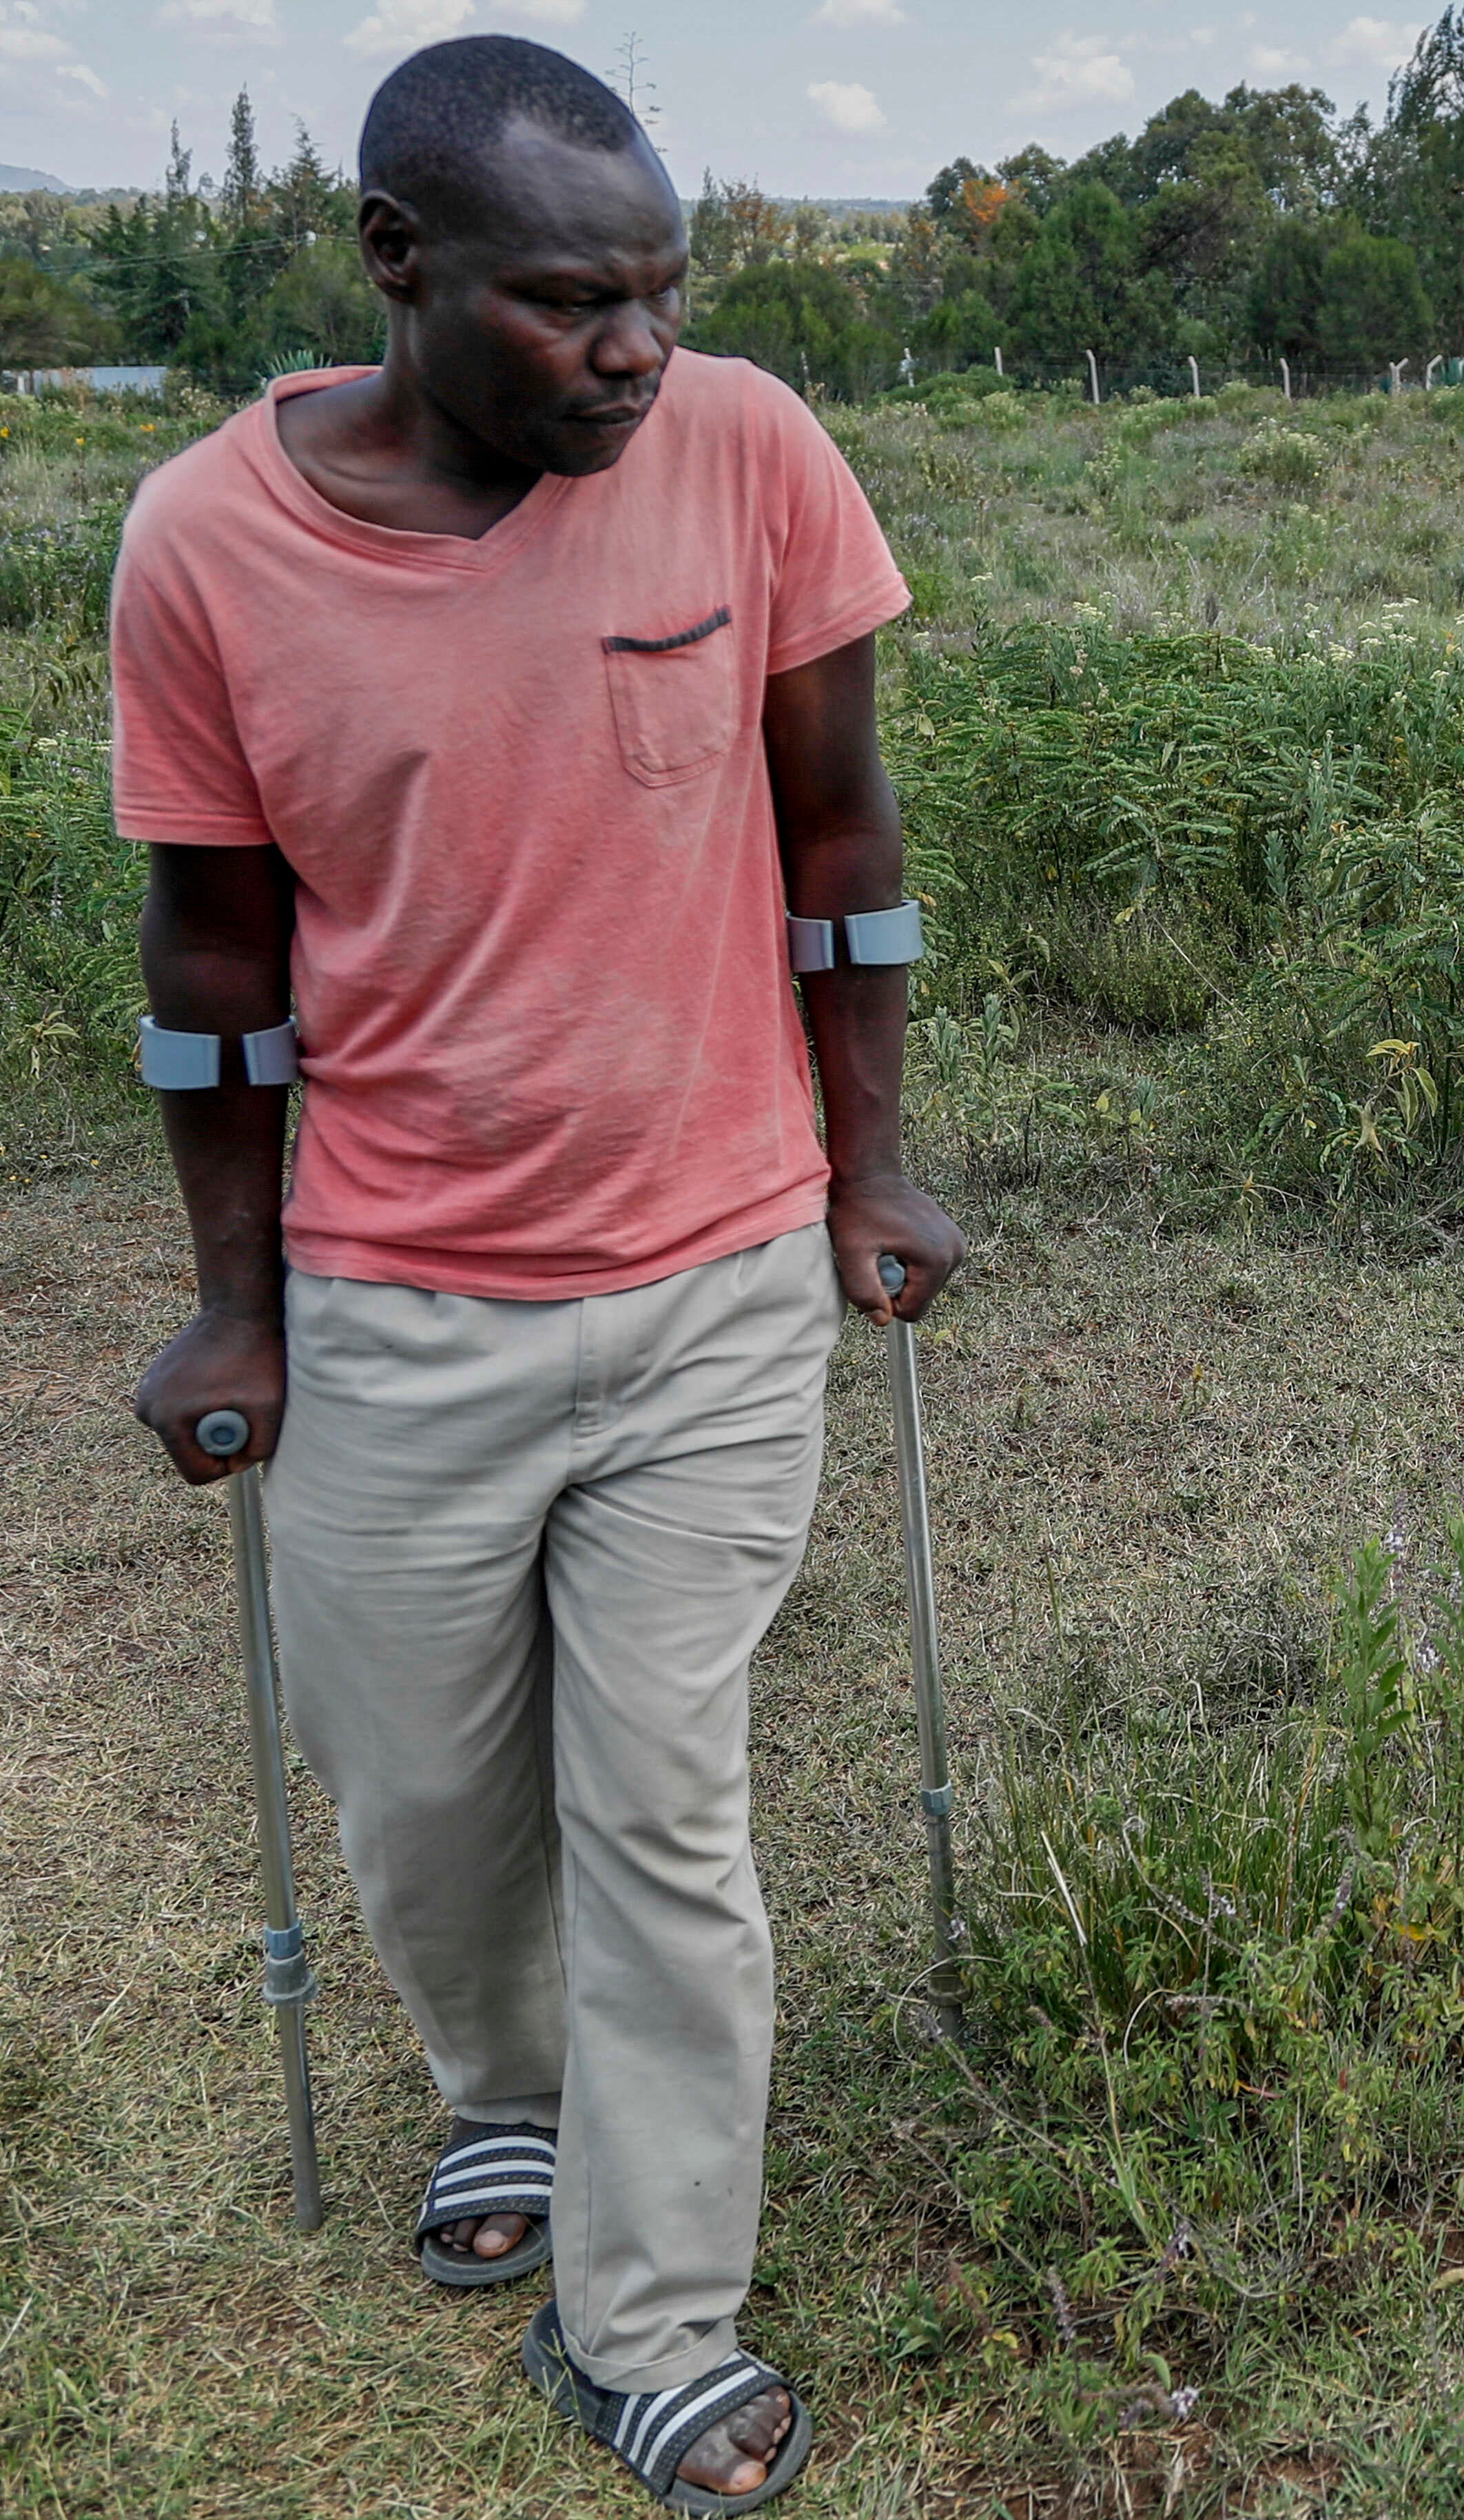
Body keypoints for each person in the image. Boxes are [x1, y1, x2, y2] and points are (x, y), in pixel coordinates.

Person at [116, 34, 956, 2513]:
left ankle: (653, 2309)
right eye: (577, 302)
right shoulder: (204, 545)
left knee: (663, 1799)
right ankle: (502, 2089)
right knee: (429, 1803)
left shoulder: (748, 454)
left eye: (664, 296)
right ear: (401, 264)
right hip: (400, 1293)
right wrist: (237, 1301)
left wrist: (870, 1168)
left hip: (710, 1272)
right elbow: (210, 962)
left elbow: (845, 838)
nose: (637, 354)